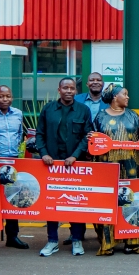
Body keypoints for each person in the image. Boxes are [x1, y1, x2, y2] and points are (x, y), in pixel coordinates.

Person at [92, 85, 139, 255]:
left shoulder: (134, 116)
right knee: (108, 202)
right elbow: (94, 142)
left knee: (133, 201)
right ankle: (108, 243)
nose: (127, 98)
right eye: (124, 94)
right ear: (114, 97)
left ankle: (133, 242)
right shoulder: (100, 117)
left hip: (132, 166)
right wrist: (91, 138)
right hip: (107, 167)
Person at [35, 77, 94, 257]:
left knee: (75, 202)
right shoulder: (48, 109)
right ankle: (52, 240)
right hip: (51, 165)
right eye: (65, 88)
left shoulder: (83, 110)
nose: (69, 91)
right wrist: (44, 153)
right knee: (51, 203)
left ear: (76, 91)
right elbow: (39, 134)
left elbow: (88, 136)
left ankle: (76, 240)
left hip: (74, 165)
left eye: (72, 88)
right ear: (59, 90)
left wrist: (75, 156)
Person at [0, 85, 28, 249]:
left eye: (8, 96)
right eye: (1, 96)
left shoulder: (18, 113)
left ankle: (13, 236)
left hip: (13, 160)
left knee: (12, 198)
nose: (5, 99)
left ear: (12, 98)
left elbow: (19, 134)